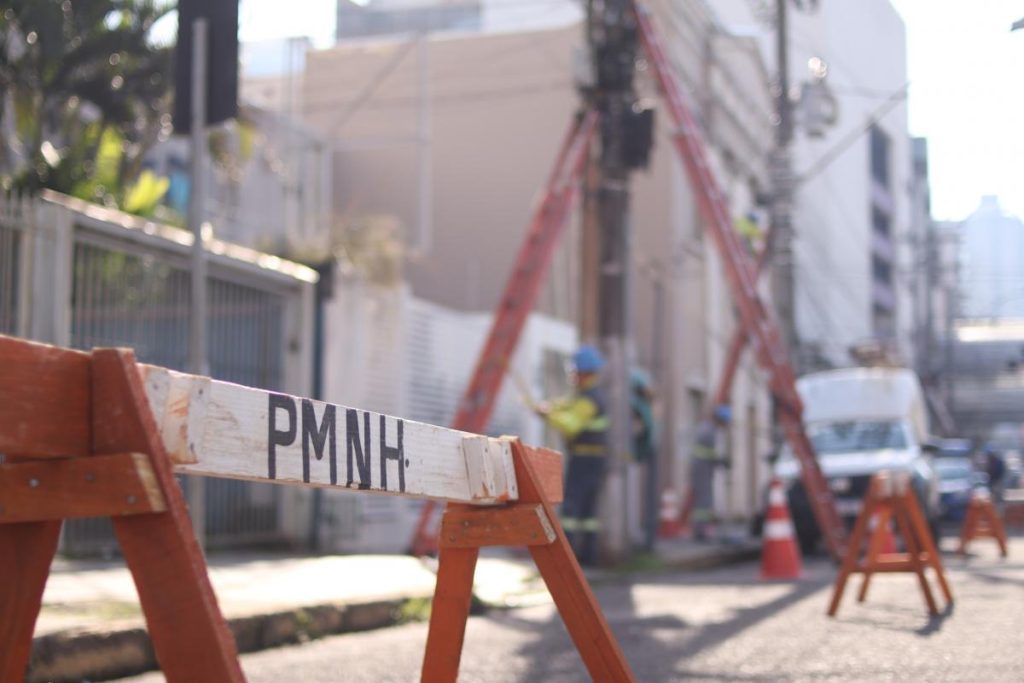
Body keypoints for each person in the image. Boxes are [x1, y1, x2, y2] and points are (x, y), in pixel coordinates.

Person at [535, 344, 609, 566]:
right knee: (587, 513)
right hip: (591, 460)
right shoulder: (587, 395)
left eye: (575, 371)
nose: (573, 375)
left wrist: (548, 415)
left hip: (586, 460)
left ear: (584, 372)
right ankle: (587, 557)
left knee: (572, 507)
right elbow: (567, 406)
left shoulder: (589, 399)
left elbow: (571, 425)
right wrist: (550, 408)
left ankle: (567, 558)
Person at [690, 404, 732, 542]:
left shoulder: (708, 428)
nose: (725, 425)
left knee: (705, 500)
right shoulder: (709, 431)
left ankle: (702, 529)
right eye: (725, 422)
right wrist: (722, 461)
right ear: (720, 419)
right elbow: (710, 453)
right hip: (702, 469)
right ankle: (700, 531)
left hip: (703, 468)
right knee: (704, 500)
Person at [630, 368, 658, 551]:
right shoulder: (641, 406)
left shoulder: (638, 406)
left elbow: (641, 431)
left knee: (646, 499)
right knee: (647, 499)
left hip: (640, 453)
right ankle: (646, 541)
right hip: (643, 453)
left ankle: (646, 542)